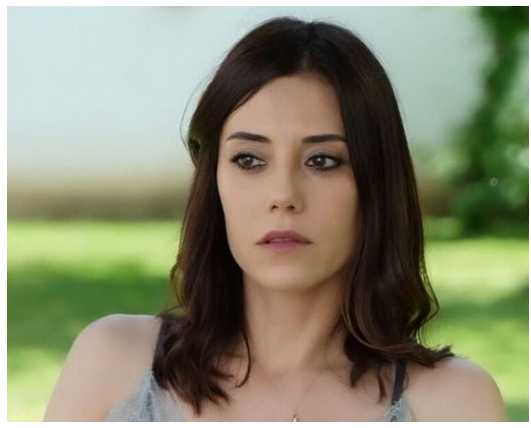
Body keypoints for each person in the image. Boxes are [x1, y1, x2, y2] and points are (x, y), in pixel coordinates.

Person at [43, 16, 507, 422]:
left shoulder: (454, 404)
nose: (283, 195)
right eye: (249, 160)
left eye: (322, 161)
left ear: (376, 182)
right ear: (213, 181)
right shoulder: (112, 362)